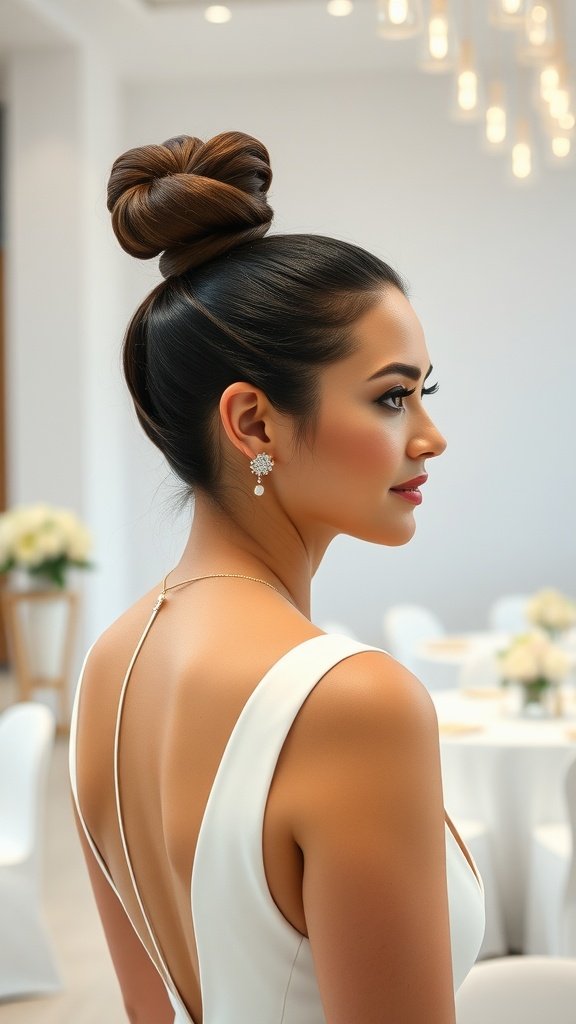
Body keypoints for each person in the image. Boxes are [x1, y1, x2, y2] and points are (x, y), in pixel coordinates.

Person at [70, 130, 485, 1024]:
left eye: (426, 391)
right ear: (253, 423)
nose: (430, 436)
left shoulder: (110, 665)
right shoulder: (353, 704)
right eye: (391, 396)